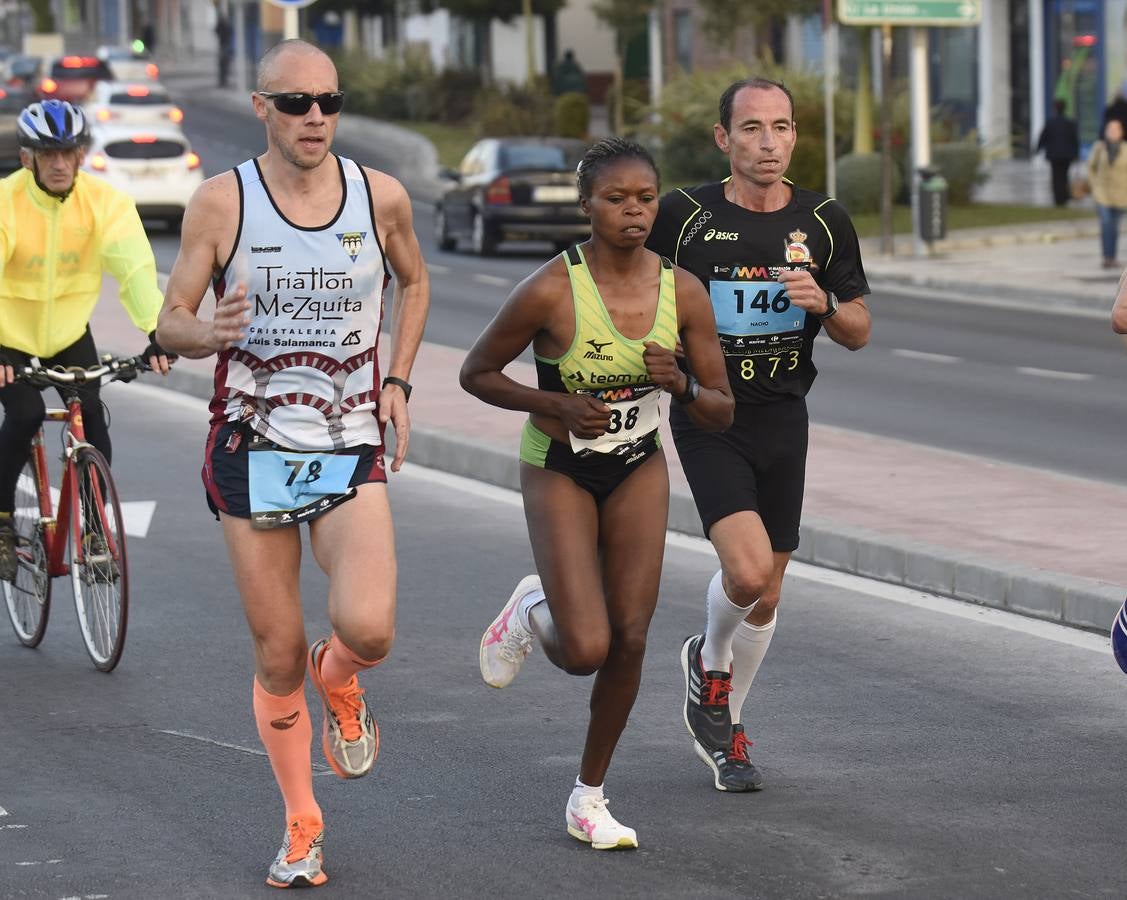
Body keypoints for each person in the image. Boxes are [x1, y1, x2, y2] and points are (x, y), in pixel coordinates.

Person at [156, 40, 429, 888]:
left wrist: (396, 380)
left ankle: (338, 677)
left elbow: (413, 284)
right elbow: (171, 322)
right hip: (251, 446)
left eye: (329, 102)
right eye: (296, 103)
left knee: (370, 627)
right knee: (275, 656)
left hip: (347, 441)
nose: (315, 117)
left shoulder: (378, 196)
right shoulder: (220, 203)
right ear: (262, 107)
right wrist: (210, 332)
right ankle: (302, 823)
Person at [460, 138, 733, 848]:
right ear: (587, 207)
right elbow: (476, 373)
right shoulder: (552, 288)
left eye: (645, 198)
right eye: (616, 199)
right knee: (585, 647)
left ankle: (588, 796)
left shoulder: (684, 292)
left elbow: (721, 408)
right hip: (557, 465)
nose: (633, 212)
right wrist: (550, 404)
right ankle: (531, 604)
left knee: (632, 638)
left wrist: (681, 385)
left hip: (637, 464)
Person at [645, 77, 871, 792]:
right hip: (709, 413)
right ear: (724, 139)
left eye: (779, 127)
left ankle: (727, 733)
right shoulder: (682, 216)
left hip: (783, 417)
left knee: (767, 595)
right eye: (750, 128)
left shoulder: (824, 220)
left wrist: (824, 304)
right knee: (742, 573)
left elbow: (860, 331)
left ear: (795, 136)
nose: (767, 142)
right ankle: (709, 662)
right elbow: (624, 282)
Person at [0, 99, 172, 582]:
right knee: (27, 412)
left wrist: (156, 331)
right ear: (26, 157)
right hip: (6, 338)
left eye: (69, 152)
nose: (59, 163)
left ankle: (95, 530)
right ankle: (2, 521)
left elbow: (135, 269)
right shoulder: (5, 203)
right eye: (47, 153)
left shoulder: (105, 203)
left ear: (81, 155)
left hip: (69, 334)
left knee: (92, 415)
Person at [1087, 117, 1127, 270]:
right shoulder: (1099, 147)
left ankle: (1112, 256)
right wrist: (1093, 184)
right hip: (1102, 194)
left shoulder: (1125, 149)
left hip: (1121, 195)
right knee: (1105, 224)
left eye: (1116, 129)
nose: (1112, 132)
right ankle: (1106, 257)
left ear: (1121, 132)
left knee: (1114, 227)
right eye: (1110, 129)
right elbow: (1091, 166)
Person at [1036, 99, 1080, 207]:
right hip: (1066, 155)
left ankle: (1058, 198)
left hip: (1054, 154)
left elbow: (1043, 137)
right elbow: (1075, 140)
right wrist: (1076, 153)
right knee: (1064, 175)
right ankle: (1063, 197)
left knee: (1056, 176)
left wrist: (1037, 149)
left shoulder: (1051, 122)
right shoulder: (1070, 123)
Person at [216, 11, 234, 89]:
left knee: (224, 63)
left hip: (224, 45)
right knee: (224, 63)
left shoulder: (223, 25)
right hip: (224, 45)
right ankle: (223, 80)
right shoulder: (225, 25)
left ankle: (223, 80)